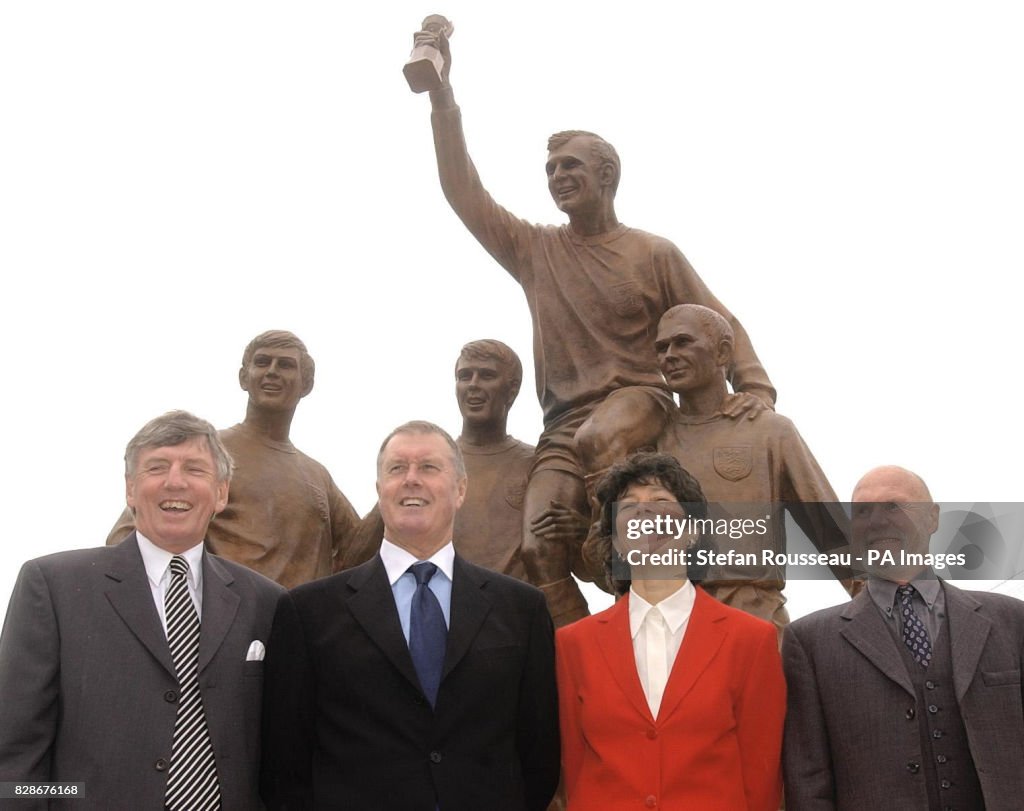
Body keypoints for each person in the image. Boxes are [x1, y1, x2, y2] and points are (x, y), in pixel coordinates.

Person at [413, 27, 775, 626]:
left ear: (606, 175)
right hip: (563, 426)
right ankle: (588, 650)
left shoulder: (652, 252)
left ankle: (634, 585)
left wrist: (755, 388)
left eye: (571, 165)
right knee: (539, 544)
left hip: (638, 405)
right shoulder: (535, 250)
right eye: (550, 168)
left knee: (601, 441)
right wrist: (442, 100)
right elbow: (463, 192)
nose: (557, 175)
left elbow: (718, 320)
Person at [260, 421, 560, 810]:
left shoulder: (522, 609)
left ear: (461, 490)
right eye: (397, 469)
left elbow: (539, 756)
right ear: (379, 490)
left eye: (429, 468)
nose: (411, 480)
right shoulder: (307, 612)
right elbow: (284, 764)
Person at [0, 410, 284, 810]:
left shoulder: (266, 601)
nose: (175, 481)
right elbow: (14, 756)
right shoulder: (52, 586)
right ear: (131, 490)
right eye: (157, 467)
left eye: (195, 469)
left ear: (221, 493)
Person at [782, 465, 1024, 810]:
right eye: (862, 511)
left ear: (932, 517)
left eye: (894, 506)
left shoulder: (1013, 620)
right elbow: (808, 781)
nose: (877, 521)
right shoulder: (809, 641)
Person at [557, 452, 785, 811]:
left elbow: (761, 776)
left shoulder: (751, 639)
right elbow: (575, 767)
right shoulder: (573, 645)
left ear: (692, 532)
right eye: (629, 506)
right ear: (616, 542)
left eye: (662, 502)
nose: (645, 513)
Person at [651, 304, 856, 632]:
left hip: (754, 620)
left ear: (722, 353)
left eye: (683, 342)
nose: (669, 356)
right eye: (662, 348)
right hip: (672, 625)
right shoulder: (651, 437)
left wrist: (883, 615)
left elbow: (832, 533)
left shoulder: (769, 431)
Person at [107, 330, 360, 588]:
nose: (272, 371)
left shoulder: (316, 475)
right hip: (225, 619)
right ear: (243, 378)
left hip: (299, 623)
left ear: (306, 384)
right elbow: (128, 534)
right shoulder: (207, 455)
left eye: (285, 365)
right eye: (262, 362)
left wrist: (392, 493)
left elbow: (362, 552)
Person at [350, 339, 588, 585]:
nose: (473, 385)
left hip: (517, 617)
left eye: (486, 376)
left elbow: (594, 571)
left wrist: (583, 532)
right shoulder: (428, 471)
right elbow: (353, 560)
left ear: (513, 388)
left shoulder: (540, 468)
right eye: (465, 376)